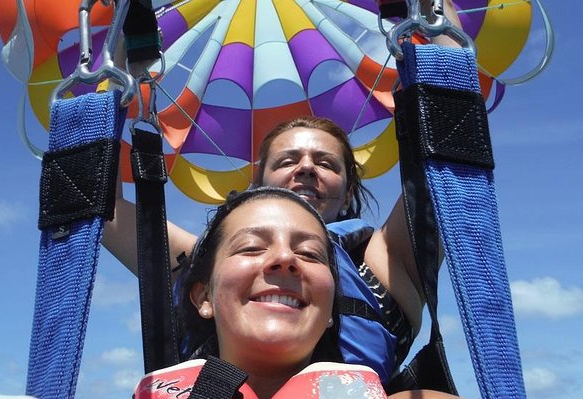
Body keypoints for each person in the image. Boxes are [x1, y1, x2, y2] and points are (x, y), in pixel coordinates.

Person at [103, 0, 464, 379]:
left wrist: (431, 9)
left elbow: (455, 149)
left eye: (326, 163)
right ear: (259, 185)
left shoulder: (388, 261)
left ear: (348, 187)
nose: (307, 168)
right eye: (287, 161)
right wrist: (120, 51)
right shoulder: (209, 262)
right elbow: (106, 213)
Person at [71, 187, 493, 399]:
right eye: (251, 247)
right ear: (202, 296)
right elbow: (106, 208)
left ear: (332, 309)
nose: (284, 259)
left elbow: (439, 184)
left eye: (309, 253)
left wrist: (444, 67)